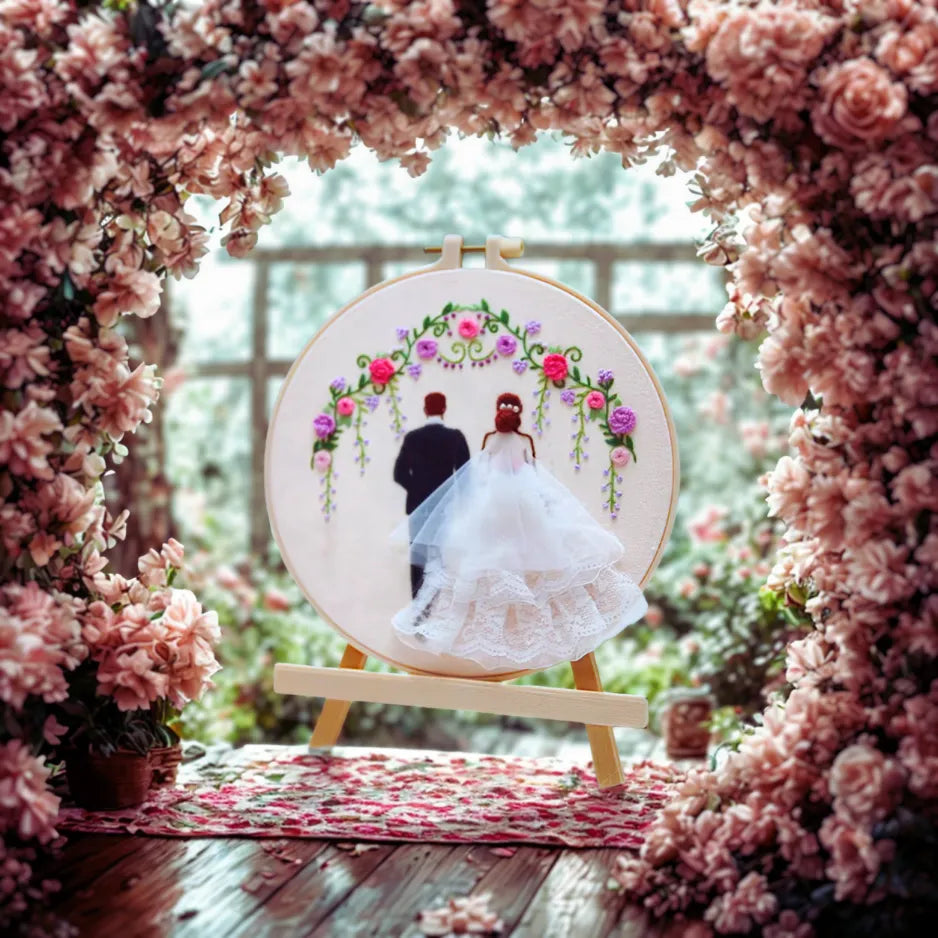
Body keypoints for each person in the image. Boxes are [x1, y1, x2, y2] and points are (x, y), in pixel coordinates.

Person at [392, 392, 647, 670]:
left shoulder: (488, 440)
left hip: (490, 503)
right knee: (534, 551)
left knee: (475, 557)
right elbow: (528, 469)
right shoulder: (516, 441)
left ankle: (436, 616)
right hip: (520, 501)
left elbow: (477, 472)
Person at [393, 392, 471, 597]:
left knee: (418, 557)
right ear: (444, 409)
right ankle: (441, 604)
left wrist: (417, 489)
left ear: (425, 409)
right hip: (445, 507)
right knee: (443, 554)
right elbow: (466, 475)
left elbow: (399, 473)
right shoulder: (455, 437)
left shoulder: (412, 438)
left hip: (418, 506)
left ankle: (418, 609)